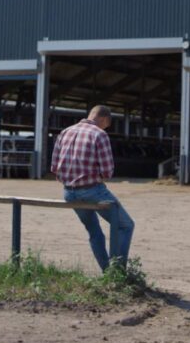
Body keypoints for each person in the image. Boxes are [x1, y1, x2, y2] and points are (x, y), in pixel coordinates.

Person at [50, 105, 135, 272]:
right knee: (125, 225)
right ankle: (117, 272)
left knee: (94, 232)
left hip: (69, 192)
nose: (105, 128)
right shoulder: (100, 134)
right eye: (106, 125)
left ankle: (106, 270)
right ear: (104, 119)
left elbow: (54, 168)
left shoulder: (65, 132)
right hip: (93, 190)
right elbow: (107, 170)